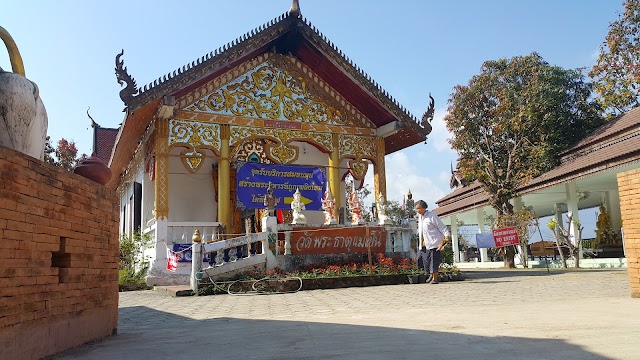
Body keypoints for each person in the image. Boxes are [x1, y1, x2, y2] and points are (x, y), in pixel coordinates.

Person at [414, 200, 450, 284]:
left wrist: (446, 239)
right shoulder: (420, 217)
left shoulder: (432, 216)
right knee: (424, 261)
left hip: (434, 242)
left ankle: (435, 278)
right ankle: (430, 274)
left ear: (424, 208)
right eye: (416, 209)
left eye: (419, 208)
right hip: (423, 244)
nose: (417, 211)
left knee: (433, 261)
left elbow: (443, 228)